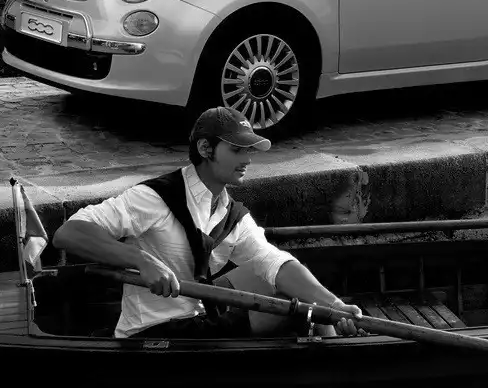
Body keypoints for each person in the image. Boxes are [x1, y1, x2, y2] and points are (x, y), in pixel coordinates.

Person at [52, 107, 362, 338]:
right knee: (301, 313)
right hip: (156, 332)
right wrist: (140, 259)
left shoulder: (232, 215)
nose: (248, 159)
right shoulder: (152, 198)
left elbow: (273, 261)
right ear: (205, 148)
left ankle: (331, 344)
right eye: (237, 149)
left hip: (203, 317)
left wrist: (333, 304)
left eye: (249, 150)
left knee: (304, 296)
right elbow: (69, 233)